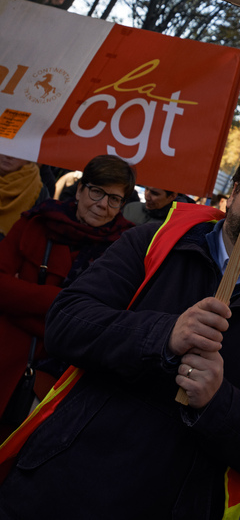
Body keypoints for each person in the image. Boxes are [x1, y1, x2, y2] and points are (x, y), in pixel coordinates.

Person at [0, 143, 240, 520]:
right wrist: (164, 336)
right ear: (234, 191)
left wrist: (218, 402)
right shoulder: (153, 242)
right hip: (58, 487)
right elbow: (66, 323)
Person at [0, 154, 135, 437]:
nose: (102, 205)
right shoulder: (36, 222)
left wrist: (21, 300)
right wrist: (61, 301)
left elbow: (104, 323)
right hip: (6, 359)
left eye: (114, 199)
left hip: (62, 383)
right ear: (81, 189)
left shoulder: (128, 250)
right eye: (97, 191)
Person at [0, 155, 50, 238]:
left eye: (17, 153)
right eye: (5, 149)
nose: (9, 156)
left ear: (28, 158)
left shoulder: (38, 190)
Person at [123, 186, 191, 225]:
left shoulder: (176, 224)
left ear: (172, 196)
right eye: (146, 189)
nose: (147, 196)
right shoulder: (130, 209)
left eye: (155, 193)